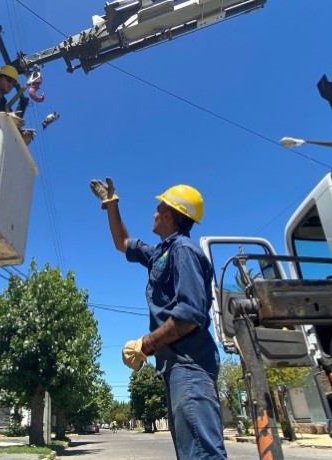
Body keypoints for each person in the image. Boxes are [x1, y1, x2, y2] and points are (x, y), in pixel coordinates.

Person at [90, 177, 227, 460]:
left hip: (190, 366)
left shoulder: (184, 251)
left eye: (157, 209)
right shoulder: (160, 254)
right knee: (192, 453)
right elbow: (123, 243)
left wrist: (145, 344)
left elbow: (189, 315)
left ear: (168, 215)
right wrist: (112, 205)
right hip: (175, 367)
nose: (153, 214)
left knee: (202, 454)